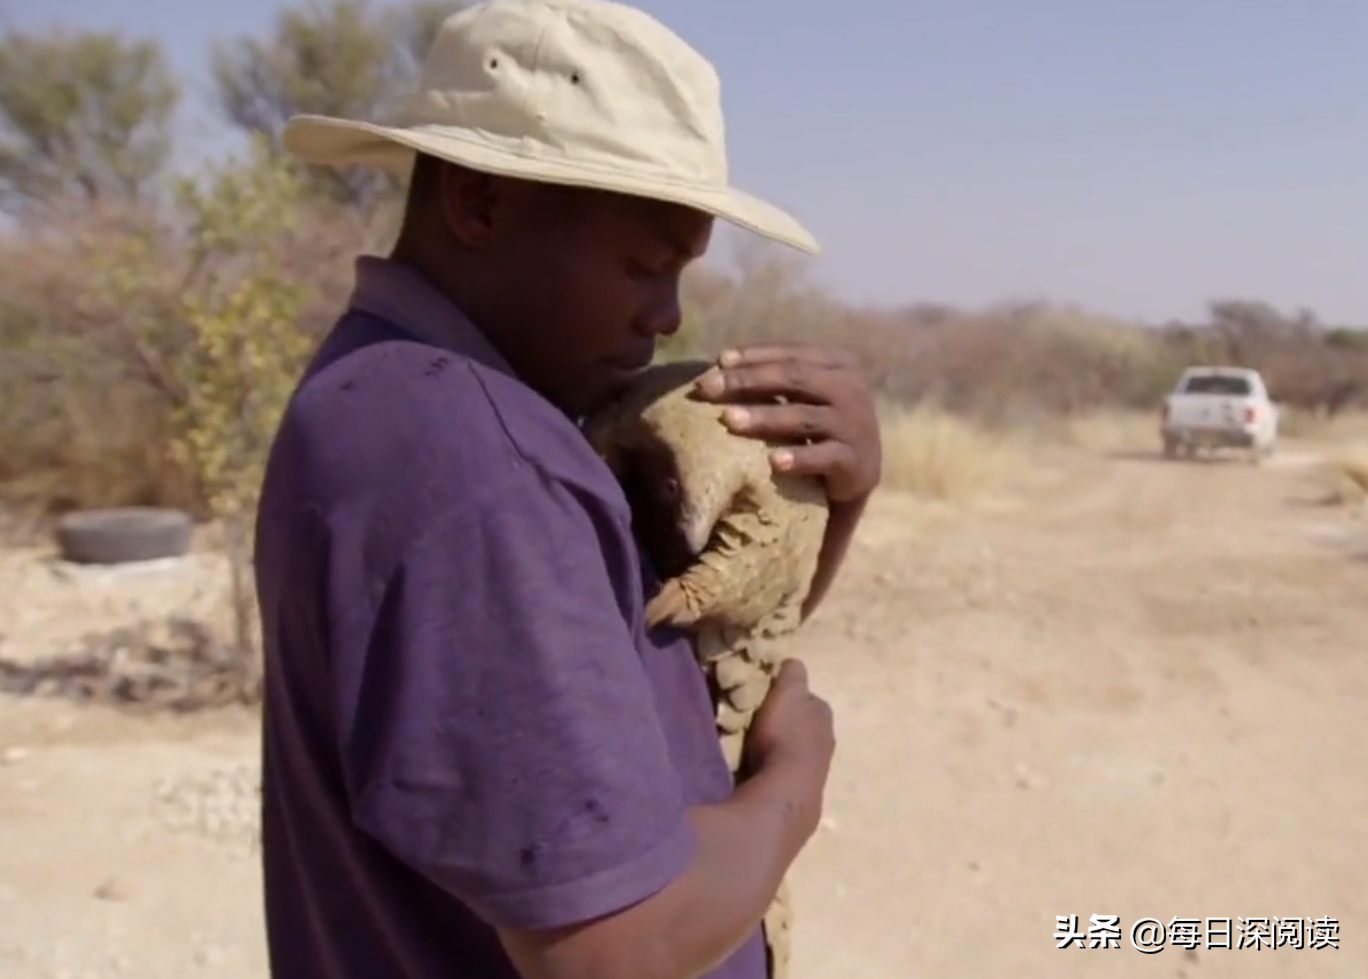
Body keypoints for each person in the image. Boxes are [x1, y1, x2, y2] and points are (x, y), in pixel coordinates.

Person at [253, 1, 882, 978]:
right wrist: (796, 780)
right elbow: (612, 950)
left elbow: (658, 659)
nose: (666, 314)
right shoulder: (480, 464)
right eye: (642, 263)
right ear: (480, 202)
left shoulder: (387, 395)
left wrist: (829, 508)